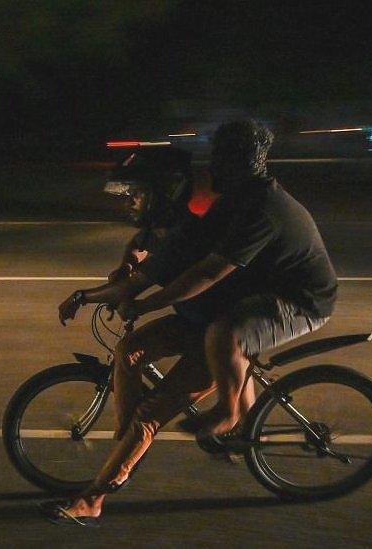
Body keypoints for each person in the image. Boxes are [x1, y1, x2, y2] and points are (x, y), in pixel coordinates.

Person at [118, 119, 338, 448]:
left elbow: (209, 272)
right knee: (225, 332)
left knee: (226, 333)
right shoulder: (237, 198)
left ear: (238, 163)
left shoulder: (263, 209)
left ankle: (227, 413)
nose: (212, 164)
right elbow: (194, 245)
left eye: (219, 156)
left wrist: (149, 303)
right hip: (260, 290)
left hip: (300, 300)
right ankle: (247, 432)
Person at [45, 147, 227, 526]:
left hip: (220, 337)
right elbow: (139, 244)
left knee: (148, 415)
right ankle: (125, 447)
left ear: (165, 191)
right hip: (194, 323)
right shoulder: (165, 224)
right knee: (127, 351)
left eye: (138, 193)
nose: (131, 200)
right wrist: (127, 259)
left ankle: (94, 499)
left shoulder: (186, 233)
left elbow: (130, 289)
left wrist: (82, 297)